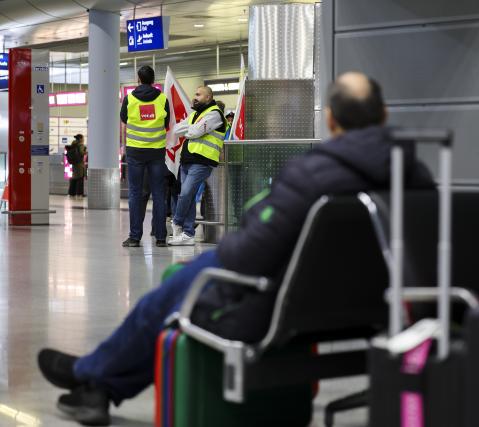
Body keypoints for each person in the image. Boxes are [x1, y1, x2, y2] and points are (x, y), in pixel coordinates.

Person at [37, 71, 434, 426]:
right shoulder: (418, 178)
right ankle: (94, 377)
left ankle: (94, 379)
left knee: (170, 296)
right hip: (373, 309)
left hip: (284, 306)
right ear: (383, 116)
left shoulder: (311, 175)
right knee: (184, 284)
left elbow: (245, 257)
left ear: (330, 119)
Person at [168, 86, 227, 246]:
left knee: (186, 193)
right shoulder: (196, 114)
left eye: (198, 94)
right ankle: (188, 234)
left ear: (208, 97)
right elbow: (176, 129)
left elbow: (193, 133)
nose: (195, 97)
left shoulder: (215, 114)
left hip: (202, 161)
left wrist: (191, 130)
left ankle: (177, 222)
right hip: (187, 160)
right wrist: (192, 129)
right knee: (189, 196)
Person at [120, 65, 170, 248]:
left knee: (135, 193)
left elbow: (124, 118)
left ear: (138, 79)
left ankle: (134, 237)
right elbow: (166, 122)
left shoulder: (129, 98)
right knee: (158, 194)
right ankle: (161, 237)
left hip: (135, 151)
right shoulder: (163, 99)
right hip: (156, 151)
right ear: (153, 79)